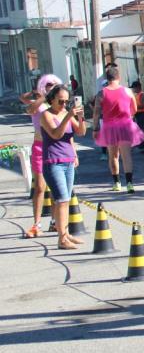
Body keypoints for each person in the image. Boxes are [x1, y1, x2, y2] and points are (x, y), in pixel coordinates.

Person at [39, 84, 87, 249]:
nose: (64, 105)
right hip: (53, 162)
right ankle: (62, 239)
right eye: (61, 101)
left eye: (67, 101)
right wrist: (68, 117)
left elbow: (80, 132)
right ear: (52, 99)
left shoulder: (66, 113)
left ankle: (66, 234)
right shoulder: (46, 115)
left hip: (68, 160)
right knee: (61, 199)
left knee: (66, 200)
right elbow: (55, 134)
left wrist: (80, 117)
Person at [19, 74, 61, 237]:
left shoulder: (58, 104)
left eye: (54, 84)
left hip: (55, 147)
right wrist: (42, 95)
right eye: (48, 84)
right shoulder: (39, 103)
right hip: (39, 147)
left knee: (56, 188)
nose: (51, 86)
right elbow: (29, 108)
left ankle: (54, 222)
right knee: (40, 187)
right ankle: (36, 224)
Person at [93, 66, 144, 192]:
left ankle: (117, 183)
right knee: (126, 156)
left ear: (107, 78)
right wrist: (128, 115)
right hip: (125, 125)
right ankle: (129, 184)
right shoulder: (127, 91)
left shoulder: (101, 93)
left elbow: (96, 112)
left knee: (113, 156)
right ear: (118, 77)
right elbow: (134, 108)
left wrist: (95, 129)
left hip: (109, 126)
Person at [131, 80, 144, 152]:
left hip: (143, 114)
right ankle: (143, 146)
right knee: (141, 130)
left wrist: (133, 107)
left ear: (138, 87)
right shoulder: (136, 95)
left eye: (134, 88)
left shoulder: (142, 94)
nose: (133, 89)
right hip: (139, 114)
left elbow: (143, 105)